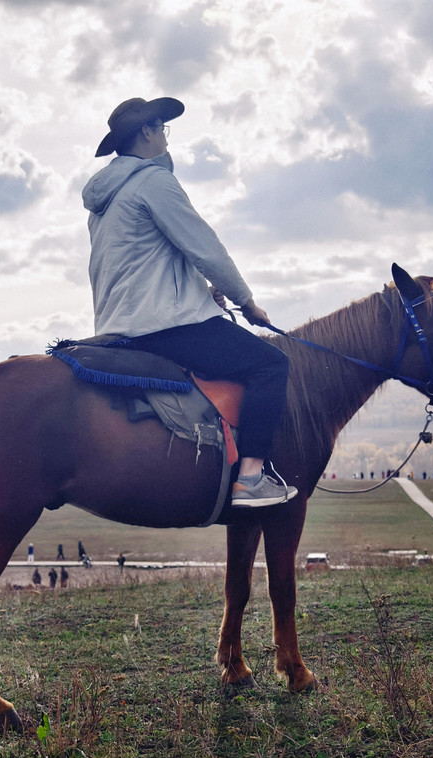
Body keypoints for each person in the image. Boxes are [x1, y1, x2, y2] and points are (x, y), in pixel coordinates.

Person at [84, 97, 297, 508]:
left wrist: (202, 292)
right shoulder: (154, 182)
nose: (166, 135)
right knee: (271, 364)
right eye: (163, 127)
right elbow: (205, 249)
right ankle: (251, 477)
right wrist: (246, 301)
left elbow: (145, 263)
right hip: (165, 326)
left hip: (115, 325)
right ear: (147, 132)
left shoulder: (103, 201)